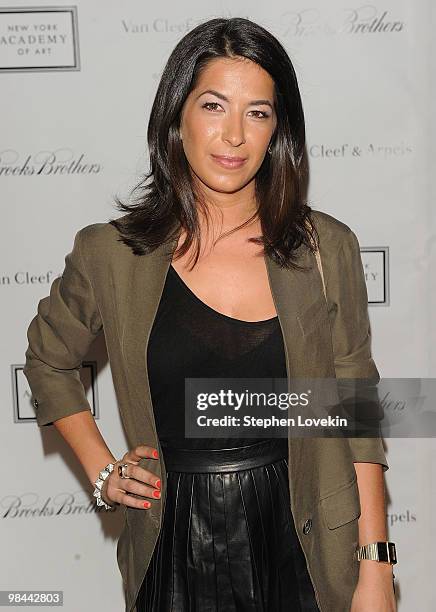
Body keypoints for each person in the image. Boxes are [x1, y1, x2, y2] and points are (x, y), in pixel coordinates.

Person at [23, 17, 397, 612]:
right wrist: (102, 472)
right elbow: (47, 360)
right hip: (172, 539)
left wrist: (376, 564)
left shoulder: (326, 248)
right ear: (178, 116)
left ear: (279, 129)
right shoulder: (112, 253)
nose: (233, 136)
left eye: (258, 113)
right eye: (214, 105)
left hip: (298, 535)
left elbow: (355, 406)